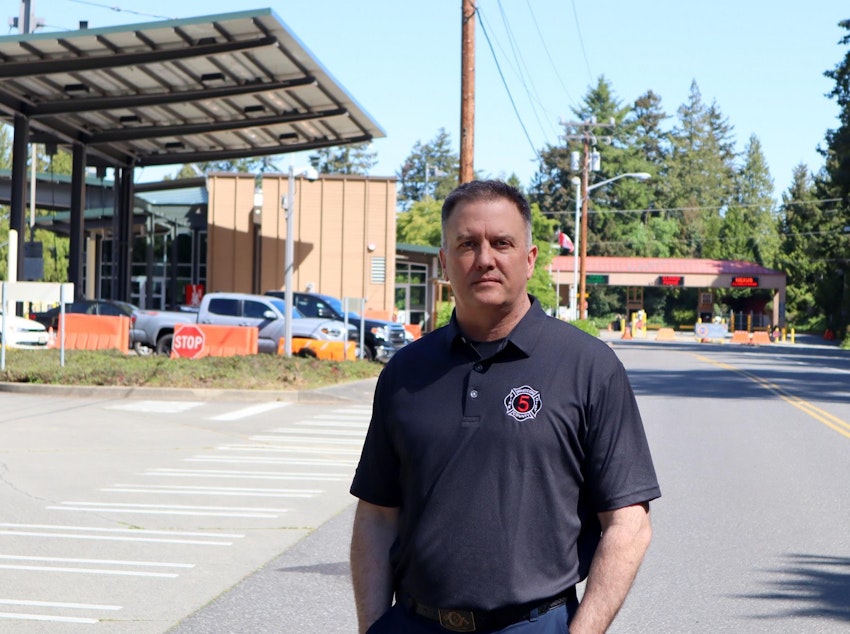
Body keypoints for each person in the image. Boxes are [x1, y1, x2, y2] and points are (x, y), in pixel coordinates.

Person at [350, 180, 660, 634]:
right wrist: (373, 627)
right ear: (445, 262)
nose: (485, 258)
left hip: (533, 624)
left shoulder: (589, 367)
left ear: (529, 259)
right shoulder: (405, 373)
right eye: (467, 244)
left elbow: (629, 524)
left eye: (502, 243)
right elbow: (376, 515)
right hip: (415, 622)